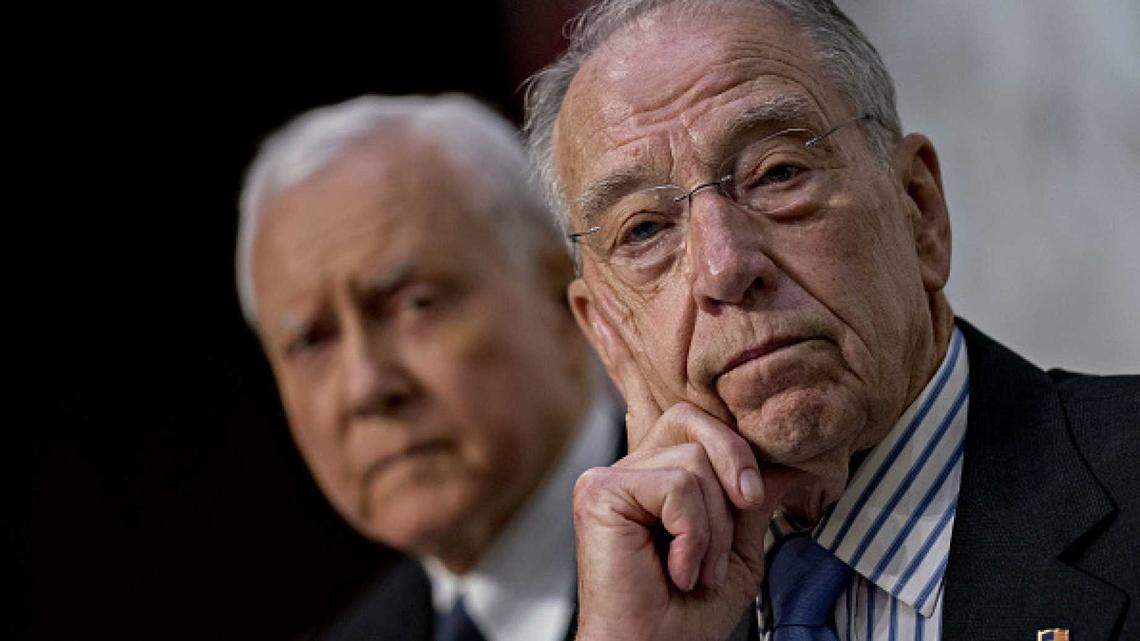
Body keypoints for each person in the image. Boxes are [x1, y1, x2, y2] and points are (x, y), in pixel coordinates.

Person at [522, 1, 1139, 640]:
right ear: (605, 332)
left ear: (919, 211)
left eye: (777, 173)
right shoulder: (620, 603)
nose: (723, 266)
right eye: (645, 229)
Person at [236, 94, 620, 641]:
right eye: (311, 342)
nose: (366, 386)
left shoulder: (745, 560)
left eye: (415, 304)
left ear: (560, 294)